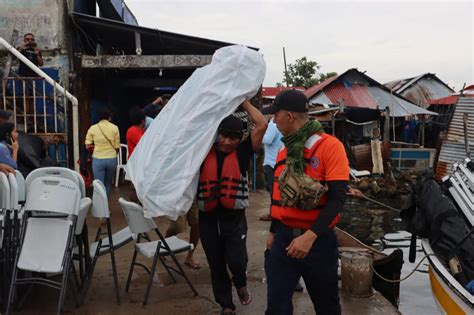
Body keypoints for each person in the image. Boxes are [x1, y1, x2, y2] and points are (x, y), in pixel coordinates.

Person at [262, 90, 349, 315]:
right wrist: (273, 231)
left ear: (289, 116)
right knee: (276, 307)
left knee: (327, 306)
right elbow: (278, 197)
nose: (273, 120)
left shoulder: (330, 147)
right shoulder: (284, 150)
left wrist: (309, 238)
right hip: (282, 240)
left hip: (318, 243)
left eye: (276, 115)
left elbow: (338, 199)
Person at [197, 101, 267, 315]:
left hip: (233, 217)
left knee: (237, 260)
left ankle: (241, 283)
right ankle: (226, 305)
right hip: (207, 216)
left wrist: (243, 100)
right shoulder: (201, 149)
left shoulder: (244, 151)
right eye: (223, 136)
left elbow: (262, 124)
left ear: (240, 139)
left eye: (233, 138)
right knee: (216, 262)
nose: (227, 142)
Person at [85, 107, 120, 197]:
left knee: (99, 186)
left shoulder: (93, 128)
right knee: (108, 184)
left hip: (98, 159)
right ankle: (106, 209)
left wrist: (96, 148)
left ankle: (100, 209)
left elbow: (87, 145)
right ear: (109, 117)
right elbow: (117, 147)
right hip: (111, 159)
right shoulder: (115, 128)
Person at [165, 201, 201, 269]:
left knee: (197, 225)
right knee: (177, 227)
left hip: (194, 196)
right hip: (178, 197)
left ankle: (189, 257)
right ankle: (162, 247)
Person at [259, 116, 282, 222]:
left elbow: (266, 140)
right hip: (278, 161)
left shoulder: (272, 125)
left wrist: (260, 132)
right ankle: (277, 213)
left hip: (271, 162)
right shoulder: (281, 125)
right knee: (277, 190)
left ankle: (274, 214)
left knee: (273, 191)